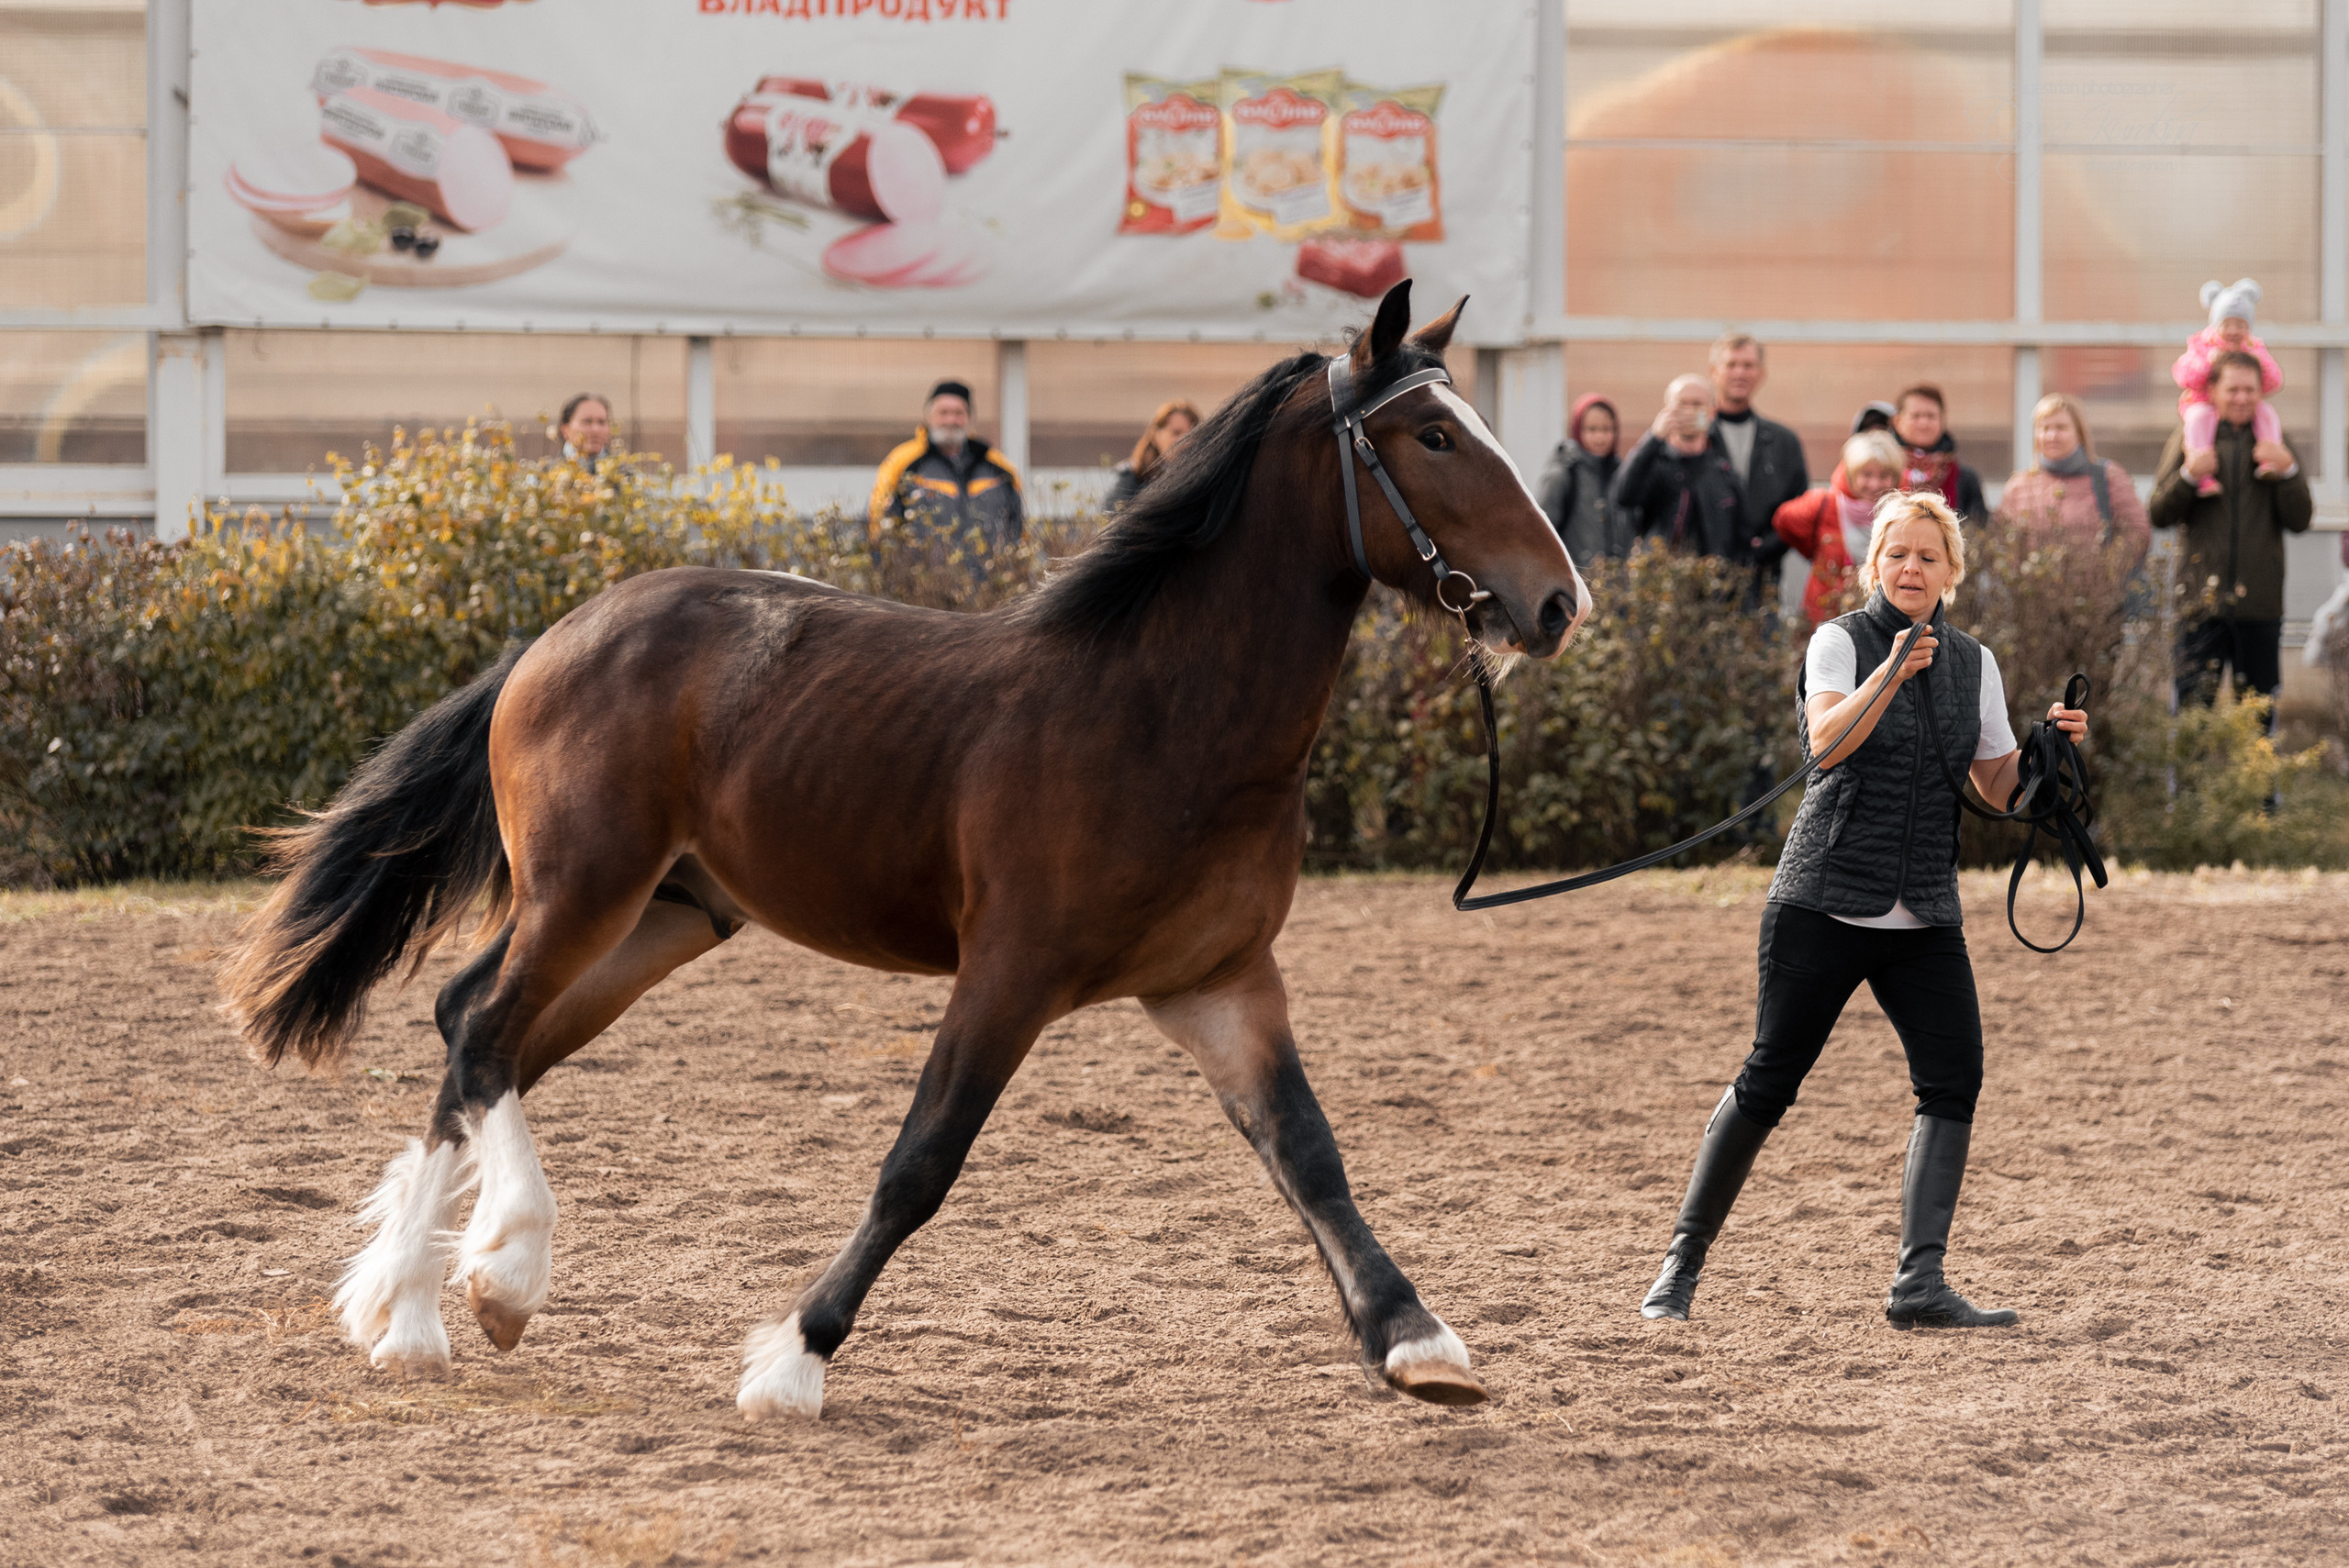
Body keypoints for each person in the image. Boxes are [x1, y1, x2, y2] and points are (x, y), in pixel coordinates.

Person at [1637, 490, 2089, 1330]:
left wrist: (2045, 758)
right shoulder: (1839, 641)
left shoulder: (1976, 663)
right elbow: (1827, 743)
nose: (1911, 567)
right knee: (1771, 1078)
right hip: (1824, 899)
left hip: (1924, 911)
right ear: (1873, 564)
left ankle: (1919, 1283)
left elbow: (1996, 787)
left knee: (1954, 1078)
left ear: (1952, 572)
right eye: (1897, 554)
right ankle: (1680, 1266)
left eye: (1928, 556)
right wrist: (1891, 671)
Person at [2149, 350, 2313, 708]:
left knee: (2258, 714)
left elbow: (2301, 520)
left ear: (2261, 392)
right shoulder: (2188, 438)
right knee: (2192, 714)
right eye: (2233, 389)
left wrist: (2287, 471)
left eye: (2249, 390)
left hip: (2260, 607)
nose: (2242, 398)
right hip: (2198, 606)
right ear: (2212, 390)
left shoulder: (2276, 440)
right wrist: (2189, 476)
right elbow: (2159, 513)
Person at [1706, 333, 1811, 597]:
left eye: (1748, 365)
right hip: (1700, 580)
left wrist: (1767, 547)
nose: (1739, 373)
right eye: (1731, 365)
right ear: (1714, 372)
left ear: (1761, 373)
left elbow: (1798, 507)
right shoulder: (1696, 440)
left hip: (1763, 581)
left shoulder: (1784, 442)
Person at [870, 379, 1025, 553]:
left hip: (991, 570)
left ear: (970, 418)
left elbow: (1020, 527)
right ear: (928, 416)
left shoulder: (998, 466)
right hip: (921, 570)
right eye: (943, 412)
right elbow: (879, 520)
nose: (951, 420)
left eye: (958, 413)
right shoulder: (902, 462)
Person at [1994, 393, 2151, 564]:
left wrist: (2108, 569)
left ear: (2079, 433)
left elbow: (2137, 531)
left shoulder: (2108, 477)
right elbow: (2001, 541)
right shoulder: (2018, 486)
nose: (2052, 436)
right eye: (2045, 428)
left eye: (2061, 428)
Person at [1772, 429, 1906, 626]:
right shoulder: (1824, 503)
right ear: (1850, 474)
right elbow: (1783, 520)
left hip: (1886, 621)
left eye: (1884, 475)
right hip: (1826, 617)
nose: (1875, 484)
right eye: (1866, 475)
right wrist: (1816, 553)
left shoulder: (1906, 512)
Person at [1612, 374, 1749, 562]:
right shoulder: (1652, 465)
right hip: (1658, 575)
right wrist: (1653, 438)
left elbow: (1741, 538)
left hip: (1711, 577)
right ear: (1666, 410)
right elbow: (1622, 496)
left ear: (1712, 411)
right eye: (1682, 404)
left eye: (1697, 404)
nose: (1689, 411)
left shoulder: (1724, 472)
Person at [2174, 279, 2285, 498]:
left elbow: (2274, 381)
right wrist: (2208, 363)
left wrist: (2258, 363)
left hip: (2256, 435)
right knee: (2197, 418)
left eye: (2241, 325)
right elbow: (2183, 375)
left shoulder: (2254, 348)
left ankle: (2268, 459)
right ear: (2215, 324)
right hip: (2203, 404)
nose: (2234, 331)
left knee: (2267, 412)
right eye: (2227, 324)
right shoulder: (2202, 345)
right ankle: (2203, 473)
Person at [1535, 393, 1625, 563]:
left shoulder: (1621, 474)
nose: (1600, 437)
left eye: (1607, 429)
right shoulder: (1562, 474)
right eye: (1592, 429)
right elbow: (1540, 533)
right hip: (1575, 577)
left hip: (1616, 578)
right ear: (1577, 430)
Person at [1891, 384, 1987, 523]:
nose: (1924, 423)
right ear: (1897, 421)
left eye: (1931, 416)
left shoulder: (1964, 479)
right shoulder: (1881, 473)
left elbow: (1977, 528)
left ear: (1942, 421)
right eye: (1915, 416)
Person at [1103, 399, 1200, 512]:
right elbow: (1112, 516)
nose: (1184, 440)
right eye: (1176, 433)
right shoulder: (1132, 475)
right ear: (1156, 435)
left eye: (1191, 434)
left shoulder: (1202, 478)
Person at [556, 394, 614, 463]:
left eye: (601, 422)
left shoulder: (623, 469)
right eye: (587, 422)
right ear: (565, 429)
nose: (595, 429)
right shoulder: (549, 469)